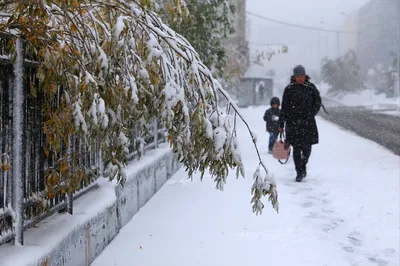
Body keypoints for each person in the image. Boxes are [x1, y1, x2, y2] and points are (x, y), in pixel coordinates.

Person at [279, 65, 321, 182]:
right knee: (296, 149)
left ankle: (303, 165)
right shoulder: (289, 89)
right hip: (293, 124)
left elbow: (317, 102)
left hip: (308, 124)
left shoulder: (311, 88)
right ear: (294, 76)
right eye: (298, 76)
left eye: (301, 76)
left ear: (305, 75)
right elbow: (284, 108)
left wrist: (311, 113)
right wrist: (281, 124)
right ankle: (299, 172)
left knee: (307, 149)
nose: (300, 78)